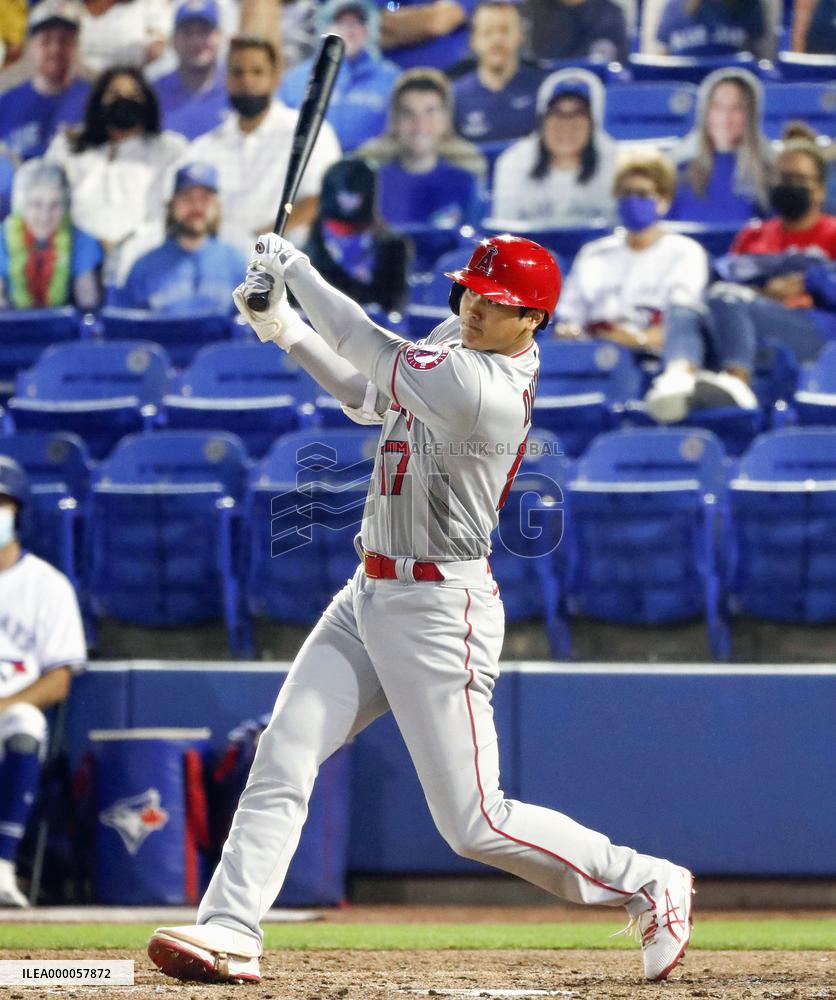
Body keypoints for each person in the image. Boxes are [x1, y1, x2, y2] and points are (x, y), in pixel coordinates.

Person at [145, 230, 695, 985]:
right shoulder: (456, 341)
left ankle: (648, 881)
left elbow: (368, 345)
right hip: (369, 589)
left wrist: (296, 272)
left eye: (495, 301)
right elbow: (368, 397)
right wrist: (286, 330)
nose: (473, 308)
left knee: (476, 822)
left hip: (441, 608)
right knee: (284, 752)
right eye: (470, 292)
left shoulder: (486, 387)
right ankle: (230, 929)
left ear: (533, 318)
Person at [645, 140, 836, 422]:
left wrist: (809, 281)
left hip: (814, 329)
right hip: (747, 317)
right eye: (782, 177)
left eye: (798, 178)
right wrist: (769, 289)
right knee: (683, 307)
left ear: (819, 189)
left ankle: (738, 384)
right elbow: (725, 275)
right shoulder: (753, 235)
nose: (788, 185)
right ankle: (677, 380)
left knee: (726, 297)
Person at [0, 457, 86, 908]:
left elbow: (58, 681)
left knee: (25, 723)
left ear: (18, 512)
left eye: (2, 503)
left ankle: (1, 865)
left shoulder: (47, 585)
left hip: (9, 713)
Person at [185, 35, 342, 249]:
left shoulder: (308, 132)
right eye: (237, 72)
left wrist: (260, 244)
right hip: (222, 256)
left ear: (275, 77)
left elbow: (318, 200)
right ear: (226, 78)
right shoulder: (205, 147)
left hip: (289, 253)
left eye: (257, 72)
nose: (246, 81)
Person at [556, 150, 708, 356]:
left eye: (642, 194)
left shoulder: (685, 252)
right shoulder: (593, 253)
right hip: (593, 352)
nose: (632, 201)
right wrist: (570, 331)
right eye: (625, 193)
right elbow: (568, 317)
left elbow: (682, 323)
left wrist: (637, 340)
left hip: (652, 356)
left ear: (663, 201)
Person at [45, 65, 186, 251]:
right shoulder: (67, 145)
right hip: (74, 251)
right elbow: (47, 198)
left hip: (143, 251)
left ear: (147, 102)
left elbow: (173, 209)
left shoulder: (168, 149)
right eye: (115, 94)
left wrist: (129, 243)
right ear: (99, 100)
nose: (124, 100)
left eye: (133, 95)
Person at [358, 68, 485, 229]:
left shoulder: (466, 183)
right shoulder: (370, 183)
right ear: (395, 121)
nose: (420, 126)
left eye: (430, 112)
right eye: (408, 113)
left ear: (445, 119)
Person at [115, 162, 245, 314]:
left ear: (217, 205)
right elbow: (125, 323)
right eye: (186, 198)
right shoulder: (143, 267)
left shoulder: (236, 263)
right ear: (172, 205)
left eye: (205, 199)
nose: (196, 206)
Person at [491, 69, 617, 225]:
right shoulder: (513, 163)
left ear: (593, 123)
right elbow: (505, 231)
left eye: (578, 114)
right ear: (542, 121)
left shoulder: (617, 165)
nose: (566, 125)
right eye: (557, 114)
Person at [280, 0, 399, 154]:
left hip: (372, 163)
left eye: (357, 23)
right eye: (340, 22)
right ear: (325, 28)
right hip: (313, 161)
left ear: (368, 30)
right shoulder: (296, 80)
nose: (349, 30)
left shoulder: (392, 78)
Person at [303, 157, 409, 313]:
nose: (349, 201)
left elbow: (393, 303)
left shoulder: (392, 245)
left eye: (356, 195)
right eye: (344, 194)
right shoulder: (315, 236)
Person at [667, 68, 771, 225]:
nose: (725, 117)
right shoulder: (678, 171)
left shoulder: (769, 173)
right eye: (717, 107)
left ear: (750, 114)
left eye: (737, 108)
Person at [0, 158, 101, 310]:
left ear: (66, 206)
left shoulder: (82, 240)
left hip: (61, 324)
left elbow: (88, 302)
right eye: (36, 204)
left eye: (55, 205)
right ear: (21, 205)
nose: (45, 216)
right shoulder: (2, 238)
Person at [0, 0, 91, 162]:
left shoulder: (93, 100)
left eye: (64, 40)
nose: (55, 49)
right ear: (30, 46)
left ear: (76, 46)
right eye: (46, 40)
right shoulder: (6, 103)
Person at [452, 0, 545, 144]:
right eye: (487, 32)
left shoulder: (544, 89)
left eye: (504, 30)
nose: (497, 40)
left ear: (520, 34)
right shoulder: (454, 97)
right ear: (473, 40)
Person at [153, 0, 227, 142]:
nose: (196, 41)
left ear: (220, 37)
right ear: (173, 40)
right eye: (187, 33)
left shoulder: (237, 89)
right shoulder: (154, 94)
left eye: (204, 32)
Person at [376, 0, 475, 72]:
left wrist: (391, 26)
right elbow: (371, 28)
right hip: (384, 76)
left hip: (453, 75)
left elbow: (437, 21)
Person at [654, 0, 773, 58]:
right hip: (684, 81)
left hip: (730, 83)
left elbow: (755, 54)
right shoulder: (675, 5)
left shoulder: (749, 4)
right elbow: (665, 56)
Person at [77, 0, 171, 74]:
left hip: (133, 81)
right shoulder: (75, 6)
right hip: (81, 79)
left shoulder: (151, 3)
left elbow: (157, 49)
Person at [525, 0, 629, 65]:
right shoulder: (532, 10)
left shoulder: (610, 14)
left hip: (592, 87)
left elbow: (619, 66)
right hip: (540, 85)